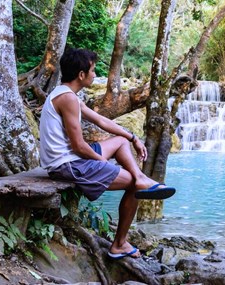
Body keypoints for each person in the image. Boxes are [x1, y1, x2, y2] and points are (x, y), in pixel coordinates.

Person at [39, 48, 175, 259]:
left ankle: (140, 178)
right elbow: (79, 146)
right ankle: (119, 243)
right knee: (131, 185)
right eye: (92, 70)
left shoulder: (66, 94)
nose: (95, 74)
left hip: (70, 159)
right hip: (66, 165)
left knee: (120, 142)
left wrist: (132, 138)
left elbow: (102, 121)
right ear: (81, 74)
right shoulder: (67, 99)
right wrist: (104, 163)